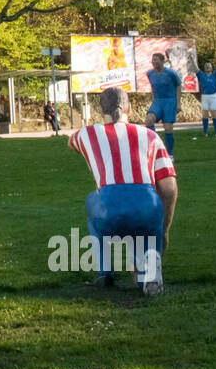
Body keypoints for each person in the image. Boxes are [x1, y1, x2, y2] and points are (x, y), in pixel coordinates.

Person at [69, 86, 178, 296]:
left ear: (100, 110)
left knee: (93, 202)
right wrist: (164, 229)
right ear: (129, 106)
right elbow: (169, 188)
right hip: (148, 206)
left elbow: (71, 142)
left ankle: (104, 272)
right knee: (144, 231)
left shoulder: (87, 134)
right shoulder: (150, 136)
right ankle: (146, 271)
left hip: (109, 208)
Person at [144, 52, 182, 158]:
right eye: (153, 59)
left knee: (168, 128)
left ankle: (169, 154)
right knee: (149, 120)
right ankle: (154, 148)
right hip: (157, 101)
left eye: (156, 59)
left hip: (170, 101)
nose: (154, 62)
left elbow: (178, 85)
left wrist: (178, 103)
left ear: (162, 61)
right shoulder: (149, 74)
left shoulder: (171, 73)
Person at [196, 60, 216, 136]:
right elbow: (195, 68)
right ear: (204, 68)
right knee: (205, 115)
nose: (207, 66)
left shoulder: (215, 75)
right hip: (204, 96)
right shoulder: (201, 75)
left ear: (212, 67)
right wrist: (191, 58)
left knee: (215, 115)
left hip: (213, 96)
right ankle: (205, 132)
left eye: (209, 65)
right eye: (206, 65)